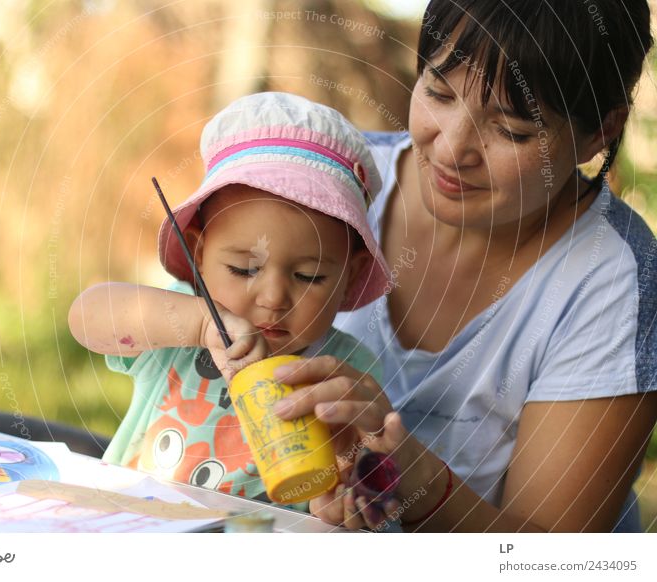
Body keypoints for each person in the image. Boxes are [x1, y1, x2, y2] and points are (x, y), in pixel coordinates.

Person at [270, 0, 657, 532]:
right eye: (438, 93)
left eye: (514, 131)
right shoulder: (336, 185)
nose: (451, 149)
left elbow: (556, 561)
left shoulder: (610, 279)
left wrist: (413, 481)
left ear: (601, 132)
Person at [68, 92, 392, 503]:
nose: (273, 298)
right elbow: (87, 316)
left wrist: (349, 494)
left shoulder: (344, 374)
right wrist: (198, 324)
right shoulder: (180, 329)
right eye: (244, 269)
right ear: (198, 254)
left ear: (351, 276)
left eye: (309, 276)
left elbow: (357, 488)